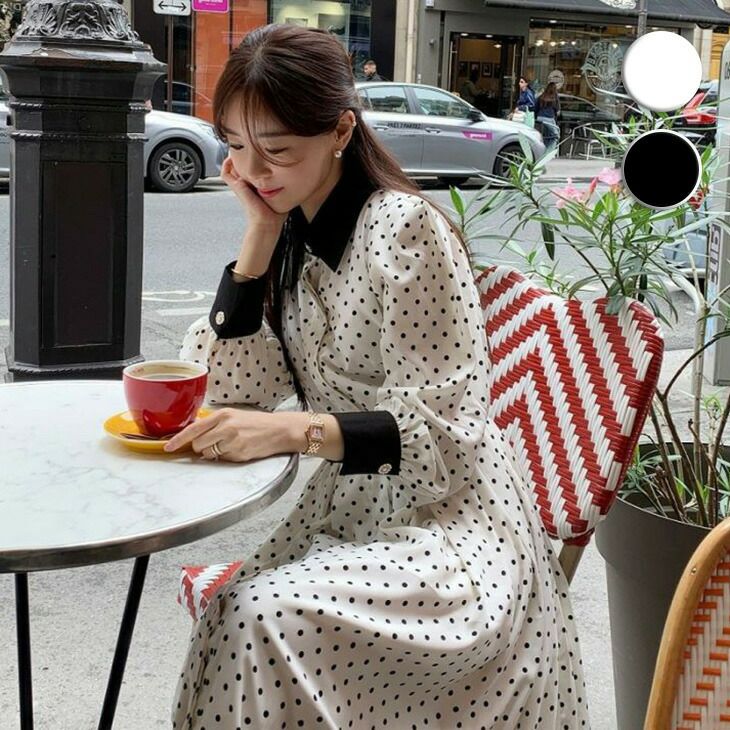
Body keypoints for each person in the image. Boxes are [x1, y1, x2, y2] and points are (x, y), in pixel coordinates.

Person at [166, 23, 588, 729]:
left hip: (455, 531)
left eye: (277, 149)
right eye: (235, 147)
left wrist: (294, 431)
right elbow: (227, 388)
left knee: (256, 615)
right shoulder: (290, 228)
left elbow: (444, 440)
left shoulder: (404, 231)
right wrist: (257, 238)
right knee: (245, 614)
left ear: (340, 131)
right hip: (355, 514)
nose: (253, 170)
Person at [535, 81, 561, 152]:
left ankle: (542, 151)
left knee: (544, 136)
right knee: (555, 136)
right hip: (549, 119)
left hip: (539, 119)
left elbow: (535, 108)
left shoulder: (541, 96)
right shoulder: (555, 97)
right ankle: (549, 152)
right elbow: (558, 112)